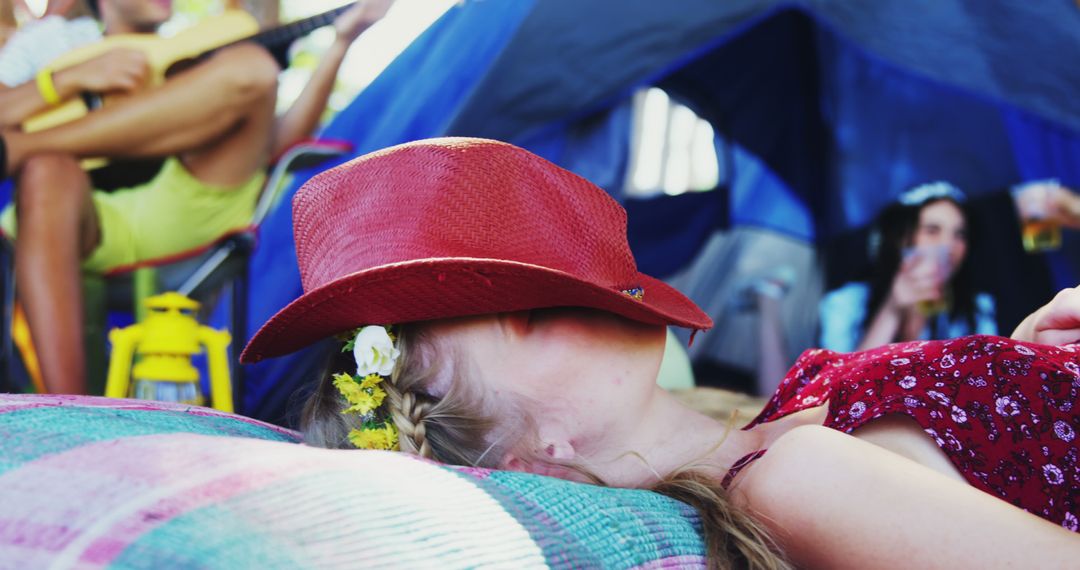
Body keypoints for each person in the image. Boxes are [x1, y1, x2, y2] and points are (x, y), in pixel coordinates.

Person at [240, 138, 1080, 569]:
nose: (571, 285)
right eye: (530, 309)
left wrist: (1023, 371)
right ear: (540, 460)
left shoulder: (788, 415)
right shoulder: (796, 480)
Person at [0, 0, 391, 394]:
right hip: (77, 215)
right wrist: (66, 79)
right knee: (47, 170)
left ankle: (20, 147)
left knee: (251, 65)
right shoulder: (50, 43)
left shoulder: (195, 49)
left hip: (184, 204)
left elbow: (277, 145)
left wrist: (342, 42)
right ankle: (67, 408)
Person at [819, 182, 997, 353]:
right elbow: (846, 382)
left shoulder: (977, 309)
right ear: (900, 240)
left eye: (960, 234)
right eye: (932, 230)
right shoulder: (844, 304)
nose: (948, 245)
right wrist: (892, 310)